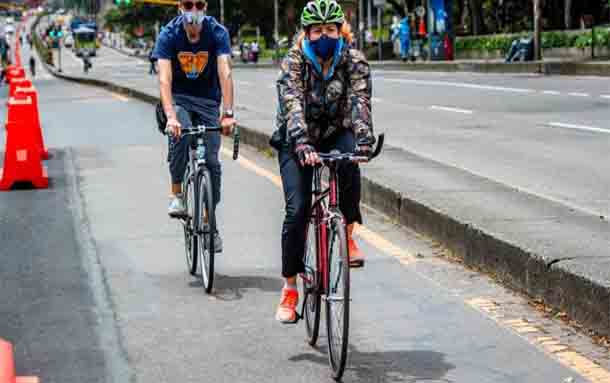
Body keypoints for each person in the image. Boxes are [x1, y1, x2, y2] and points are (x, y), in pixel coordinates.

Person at [271, 0, 375, 323]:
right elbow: (292, 104)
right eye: (317, 30)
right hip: (296, 138)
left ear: (341, 30)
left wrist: (365, 139)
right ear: (307, 33)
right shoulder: (294, 62)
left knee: (349, 161)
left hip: (333, 131)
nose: (324, 36)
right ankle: (289, 288)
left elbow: (360, 101)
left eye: (331, 29)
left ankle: (347, 229)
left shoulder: (353, 60)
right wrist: (301, 142)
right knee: (298, 208)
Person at [152, 0, 236, 252]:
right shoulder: (169, 34)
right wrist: (171, 117)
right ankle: (176, 193)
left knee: (211, 161)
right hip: (179, 100)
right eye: (188, 4)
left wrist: (228, 113)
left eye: (199, 4)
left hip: (209, 102)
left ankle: (211, 224)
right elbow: (164, 79)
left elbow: (225, 72)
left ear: (205, 6)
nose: (194, 10)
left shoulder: (217, 32)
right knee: (182, 131)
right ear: (180, 7)